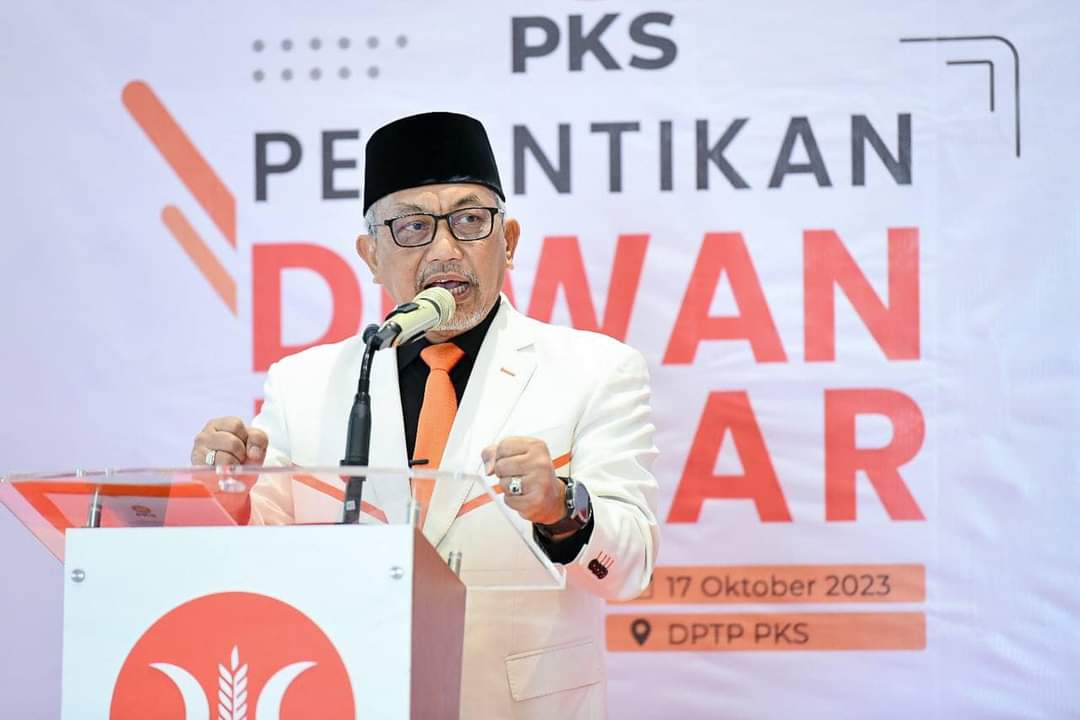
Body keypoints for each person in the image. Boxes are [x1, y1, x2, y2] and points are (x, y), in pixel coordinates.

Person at [190, 111, 659, 718]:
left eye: (469, 220)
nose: (444, 250)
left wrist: (561, 508)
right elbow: (264, 559)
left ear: (509, 242)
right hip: (354, 698)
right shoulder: (304, 384)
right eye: (412, 226)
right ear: (371, 254)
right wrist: (228, 493)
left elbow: (629, 570)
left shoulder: (596, 370)